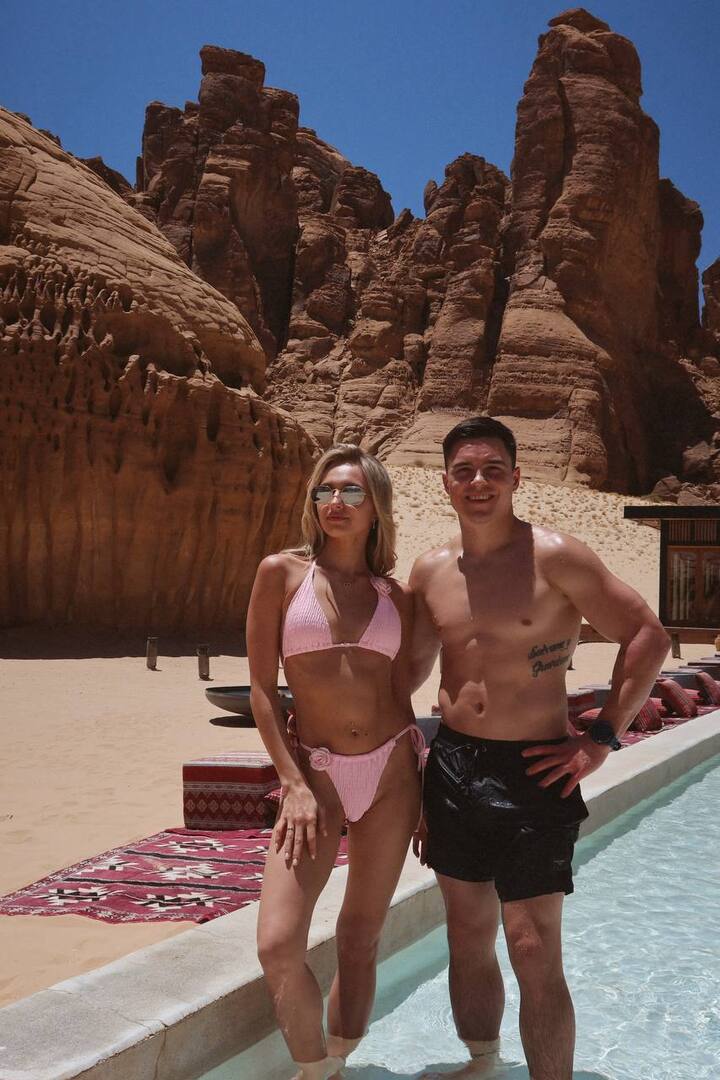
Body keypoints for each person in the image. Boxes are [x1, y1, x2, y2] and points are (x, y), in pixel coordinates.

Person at [410, 417, 670, 1080]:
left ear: (516, 478)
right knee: (466, 936)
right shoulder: (431, 570)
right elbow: (402, 675)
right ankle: (483, 1063)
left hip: (534, 770)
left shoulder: (556, 557)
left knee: (531, 945)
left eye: (493, 470)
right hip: (452, 765)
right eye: (464, 471)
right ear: (446, 483)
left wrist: (601, 738)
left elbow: (647, 634)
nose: (479, 482)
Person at [248, 444, 424, 1080]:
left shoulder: (396, 596)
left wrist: (424, 795)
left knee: (360, 935)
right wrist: (291, 783)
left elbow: (400, 695)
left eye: (352, 492)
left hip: (392, 775)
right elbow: (262, 689)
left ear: (377, 506)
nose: (335, 503)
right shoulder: (281, 574)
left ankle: (338, 1064)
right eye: (324, 491)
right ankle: (313, 1068)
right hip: (314, 778)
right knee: (277, 943)